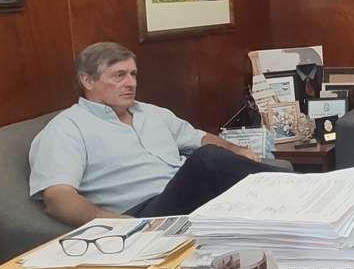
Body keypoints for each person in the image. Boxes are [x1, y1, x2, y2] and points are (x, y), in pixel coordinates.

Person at [30, 42, 280, 227]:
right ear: (87, 81)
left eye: (133, 74)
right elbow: (57, 197)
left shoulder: (152, 113)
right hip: (143, 215)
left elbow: (200, 138)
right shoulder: (67, 128)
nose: (131, 83)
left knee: (240, 186)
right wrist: (115, 223)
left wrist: (237, 150)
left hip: (188, 198)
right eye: (119, 75)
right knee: (206, 160)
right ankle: (298, 189)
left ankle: (292, 202)